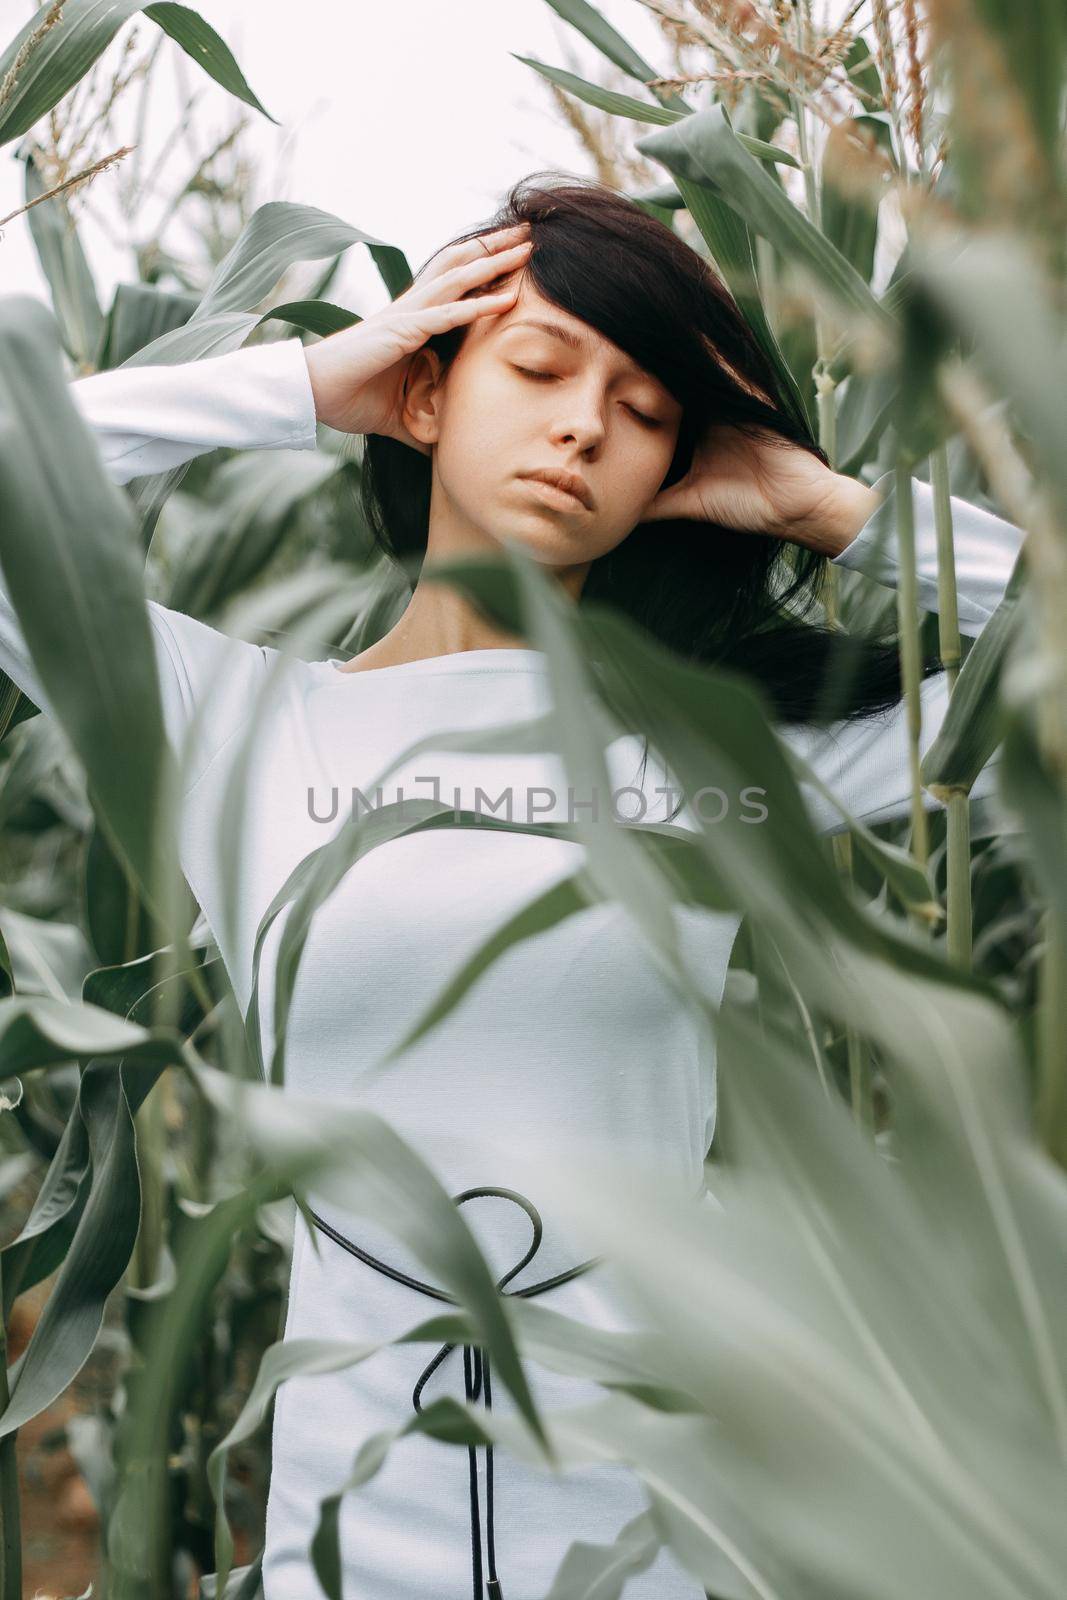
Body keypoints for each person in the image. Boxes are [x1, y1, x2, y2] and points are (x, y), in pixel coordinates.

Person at [0, 175, 1024, 1600]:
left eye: (647, 410)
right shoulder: (235, 728)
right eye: (540, 366)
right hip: (342, 1538)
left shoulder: (719, 759)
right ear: (423, 396)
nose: (586, 425)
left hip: (659, 1535)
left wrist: (822, 501)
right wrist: (302, 381)